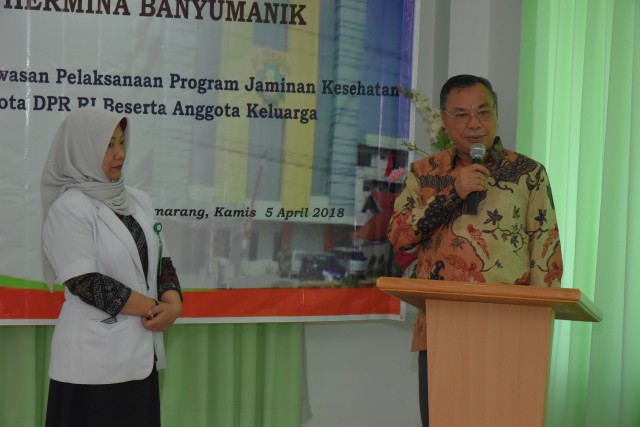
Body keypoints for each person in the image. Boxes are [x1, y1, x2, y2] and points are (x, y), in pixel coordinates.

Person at [388, 75, 563, 427]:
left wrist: (539, 330)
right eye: (462, 114)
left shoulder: (528, 174)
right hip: (441, 328)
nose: (474, 124)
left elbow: (546, 255)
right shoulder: (424, 173)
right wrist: (453, 191)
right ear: (445, 120)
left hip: (511, 329)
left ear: (496, 113)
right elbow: (400, 235)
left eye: (483, 112)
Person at [41, 107, 183, 427]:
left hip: (141, 359)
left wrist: (174, 304)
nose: (119, 154)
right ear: (83, 149)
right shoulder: (69, 208)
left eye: (122, 142)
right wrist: (154, 307)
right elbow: (85, 282)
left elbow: (162, 260)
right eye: (107, 145)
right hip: (92, 366)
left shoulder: (139, 200)